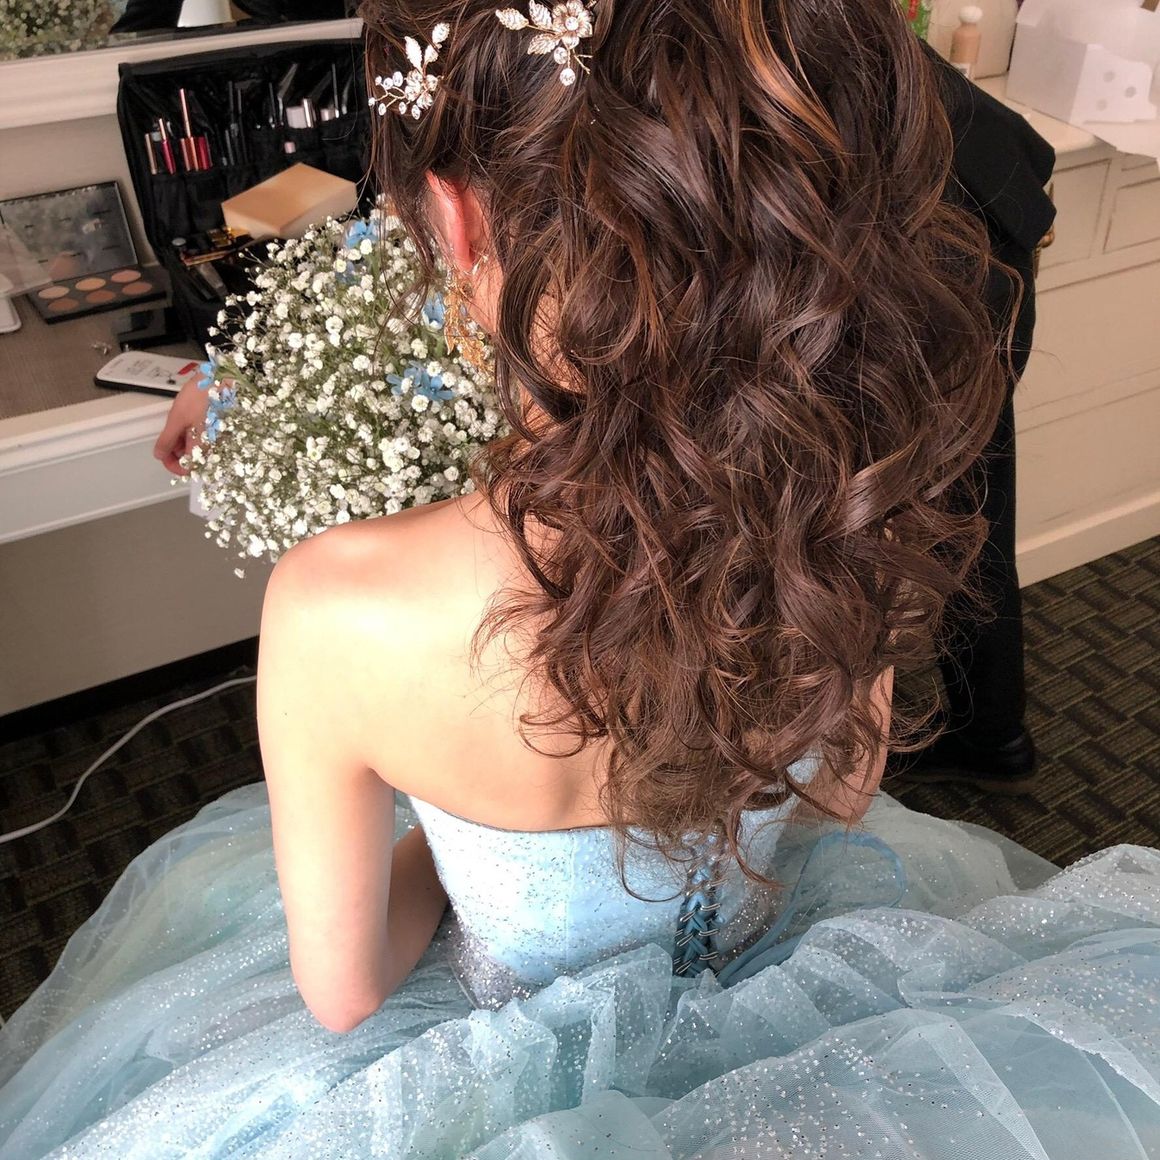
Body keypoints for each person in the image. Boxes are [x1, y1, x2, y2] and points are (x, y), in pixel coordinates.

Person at [3, 2, 1157, 1156]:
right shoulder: (849, 502)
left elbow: (345, 989)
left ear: (456, 221)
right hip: (814, 1024)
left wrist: (471, 843)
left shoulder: (337, 605)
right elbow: (843, 791)